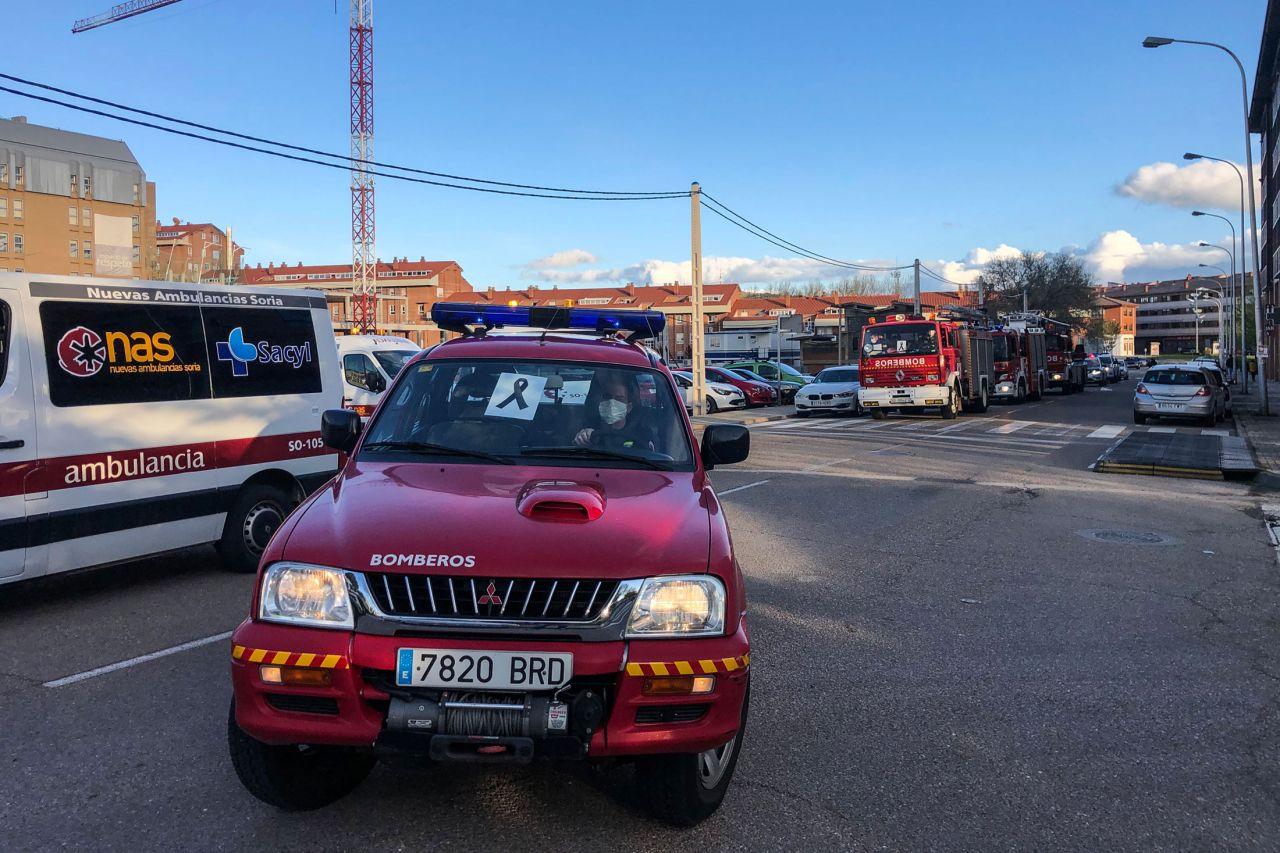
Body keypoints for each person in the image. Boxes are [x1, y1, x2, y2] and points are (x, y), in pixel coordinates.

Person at [574, 372, 659, 452]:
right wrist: (583, 439)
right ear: (600, 401)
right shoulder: (589, 427)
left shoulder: (642, 434)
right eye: (607, 396)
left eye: (619, 399)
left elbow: (650, 456)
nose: (612, 403)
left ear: (629, 407)